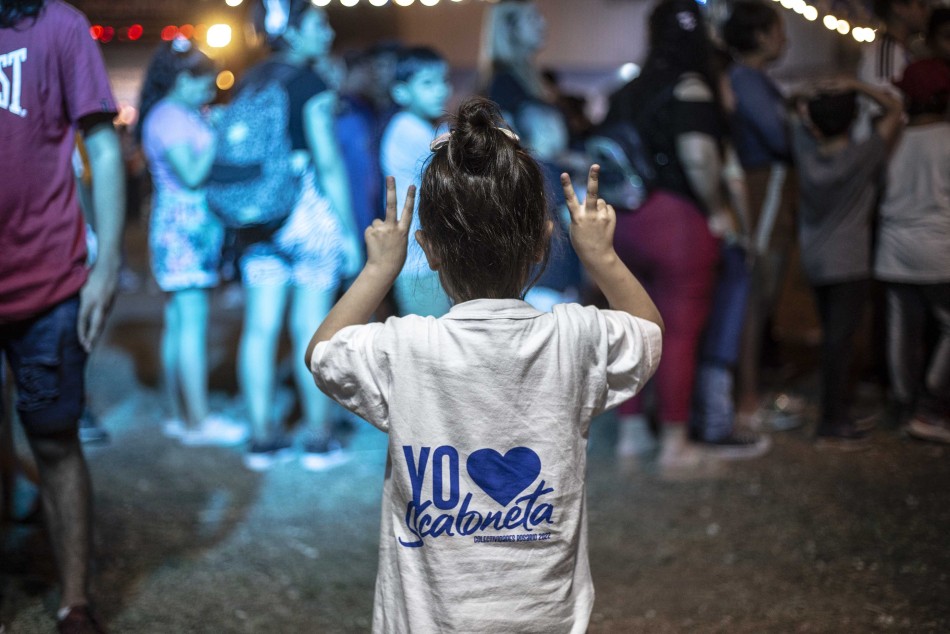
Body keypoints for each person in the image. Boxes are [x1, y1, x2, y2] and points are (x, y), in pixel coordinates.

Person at [306, 97, 663, 634]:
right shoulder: (573, 338)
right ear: (545, 243)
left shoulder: (406, 348)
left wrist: (380, 268)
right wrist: (602, 258)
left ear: (427, 250)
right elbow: (648, 333)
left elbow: (323, 352)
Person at [0, 0, 124, 631]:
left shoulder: (57, 25)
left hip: (47, 278)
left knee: (54, 437)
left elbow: (102, 146)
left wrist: (106, 266)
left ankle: (75, 602)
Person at [604, 0, 728, 471]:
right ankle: (674, 442)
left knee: (632, 329)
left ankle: (631, 438)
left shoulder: (627, 90)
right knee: (677, 332)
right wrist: (717, 209)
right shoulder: (691, 85)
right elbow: (698, 155)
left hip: (626, 221)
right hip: (677, 222)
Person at [237, 0, 360, 472]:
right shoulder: (311, 82)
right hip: (306, 215)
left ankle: (262, 438)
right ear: (292, 32)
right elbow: (327, 161)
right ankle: (317, 437)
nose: (327, 31)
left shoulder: (251, 81)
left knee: (260, 328)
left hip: (257, 217)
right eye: (318, 23)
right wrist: (349, 233)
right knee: (312, 328)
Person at [136, 38, 246, 447]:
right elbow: (193, 174)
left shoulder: (168, 113)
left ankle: (177, 411)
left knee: (178, 323)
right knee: (191, 326)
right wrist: (216, 133)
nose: (210, 90)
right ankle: (198, 422)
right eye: (203, 83)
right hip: (185, 228)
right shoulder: (170, 117)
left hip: (177, 226)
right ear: (182, 79)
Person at [790, 79, 903, 449]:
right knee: (842, 343)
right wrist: (854, 84)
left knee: (832, 339)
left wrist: (815, 99)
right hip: (850, 261)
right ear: (853, 118)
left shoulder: (804, 149)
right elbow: (895, 110)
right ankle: (832, 422)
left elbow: (794, 104)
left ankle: (836, 413)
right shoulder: (864, 154)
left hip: (815, 259)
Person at [722, 0, 805, 431]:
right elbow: (780, 135)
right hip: (764, 192)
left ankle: (748, 393)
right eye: (778, 30)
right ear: (757, 35)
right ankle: (746, 399)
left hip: (768, 189)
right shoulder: (746, 78)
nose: (784, 39)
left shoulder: (749, 79)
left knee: (760, 296)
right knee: (755, 295)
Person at [875, 59, 950, 443]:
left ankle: (905, 403)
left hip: (893, 249)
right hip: (939, 249)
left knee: (902, 331)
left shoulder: (890, 138)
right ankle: (932, 404)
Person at [380, 46, 453, 317]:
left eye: (444, 81)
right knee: (429, 344)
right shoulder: (406, 129)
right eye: (427, 83)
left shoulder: (433, 127)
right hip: (417, 258)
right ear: (401, 92)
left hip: (431, 253)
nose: (440, 90)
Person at [477, 0, 556, 130]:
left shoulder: (522, 77)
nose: (543, 22)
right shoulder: (503, 82)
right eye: (532, 17)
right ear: (510, 28)